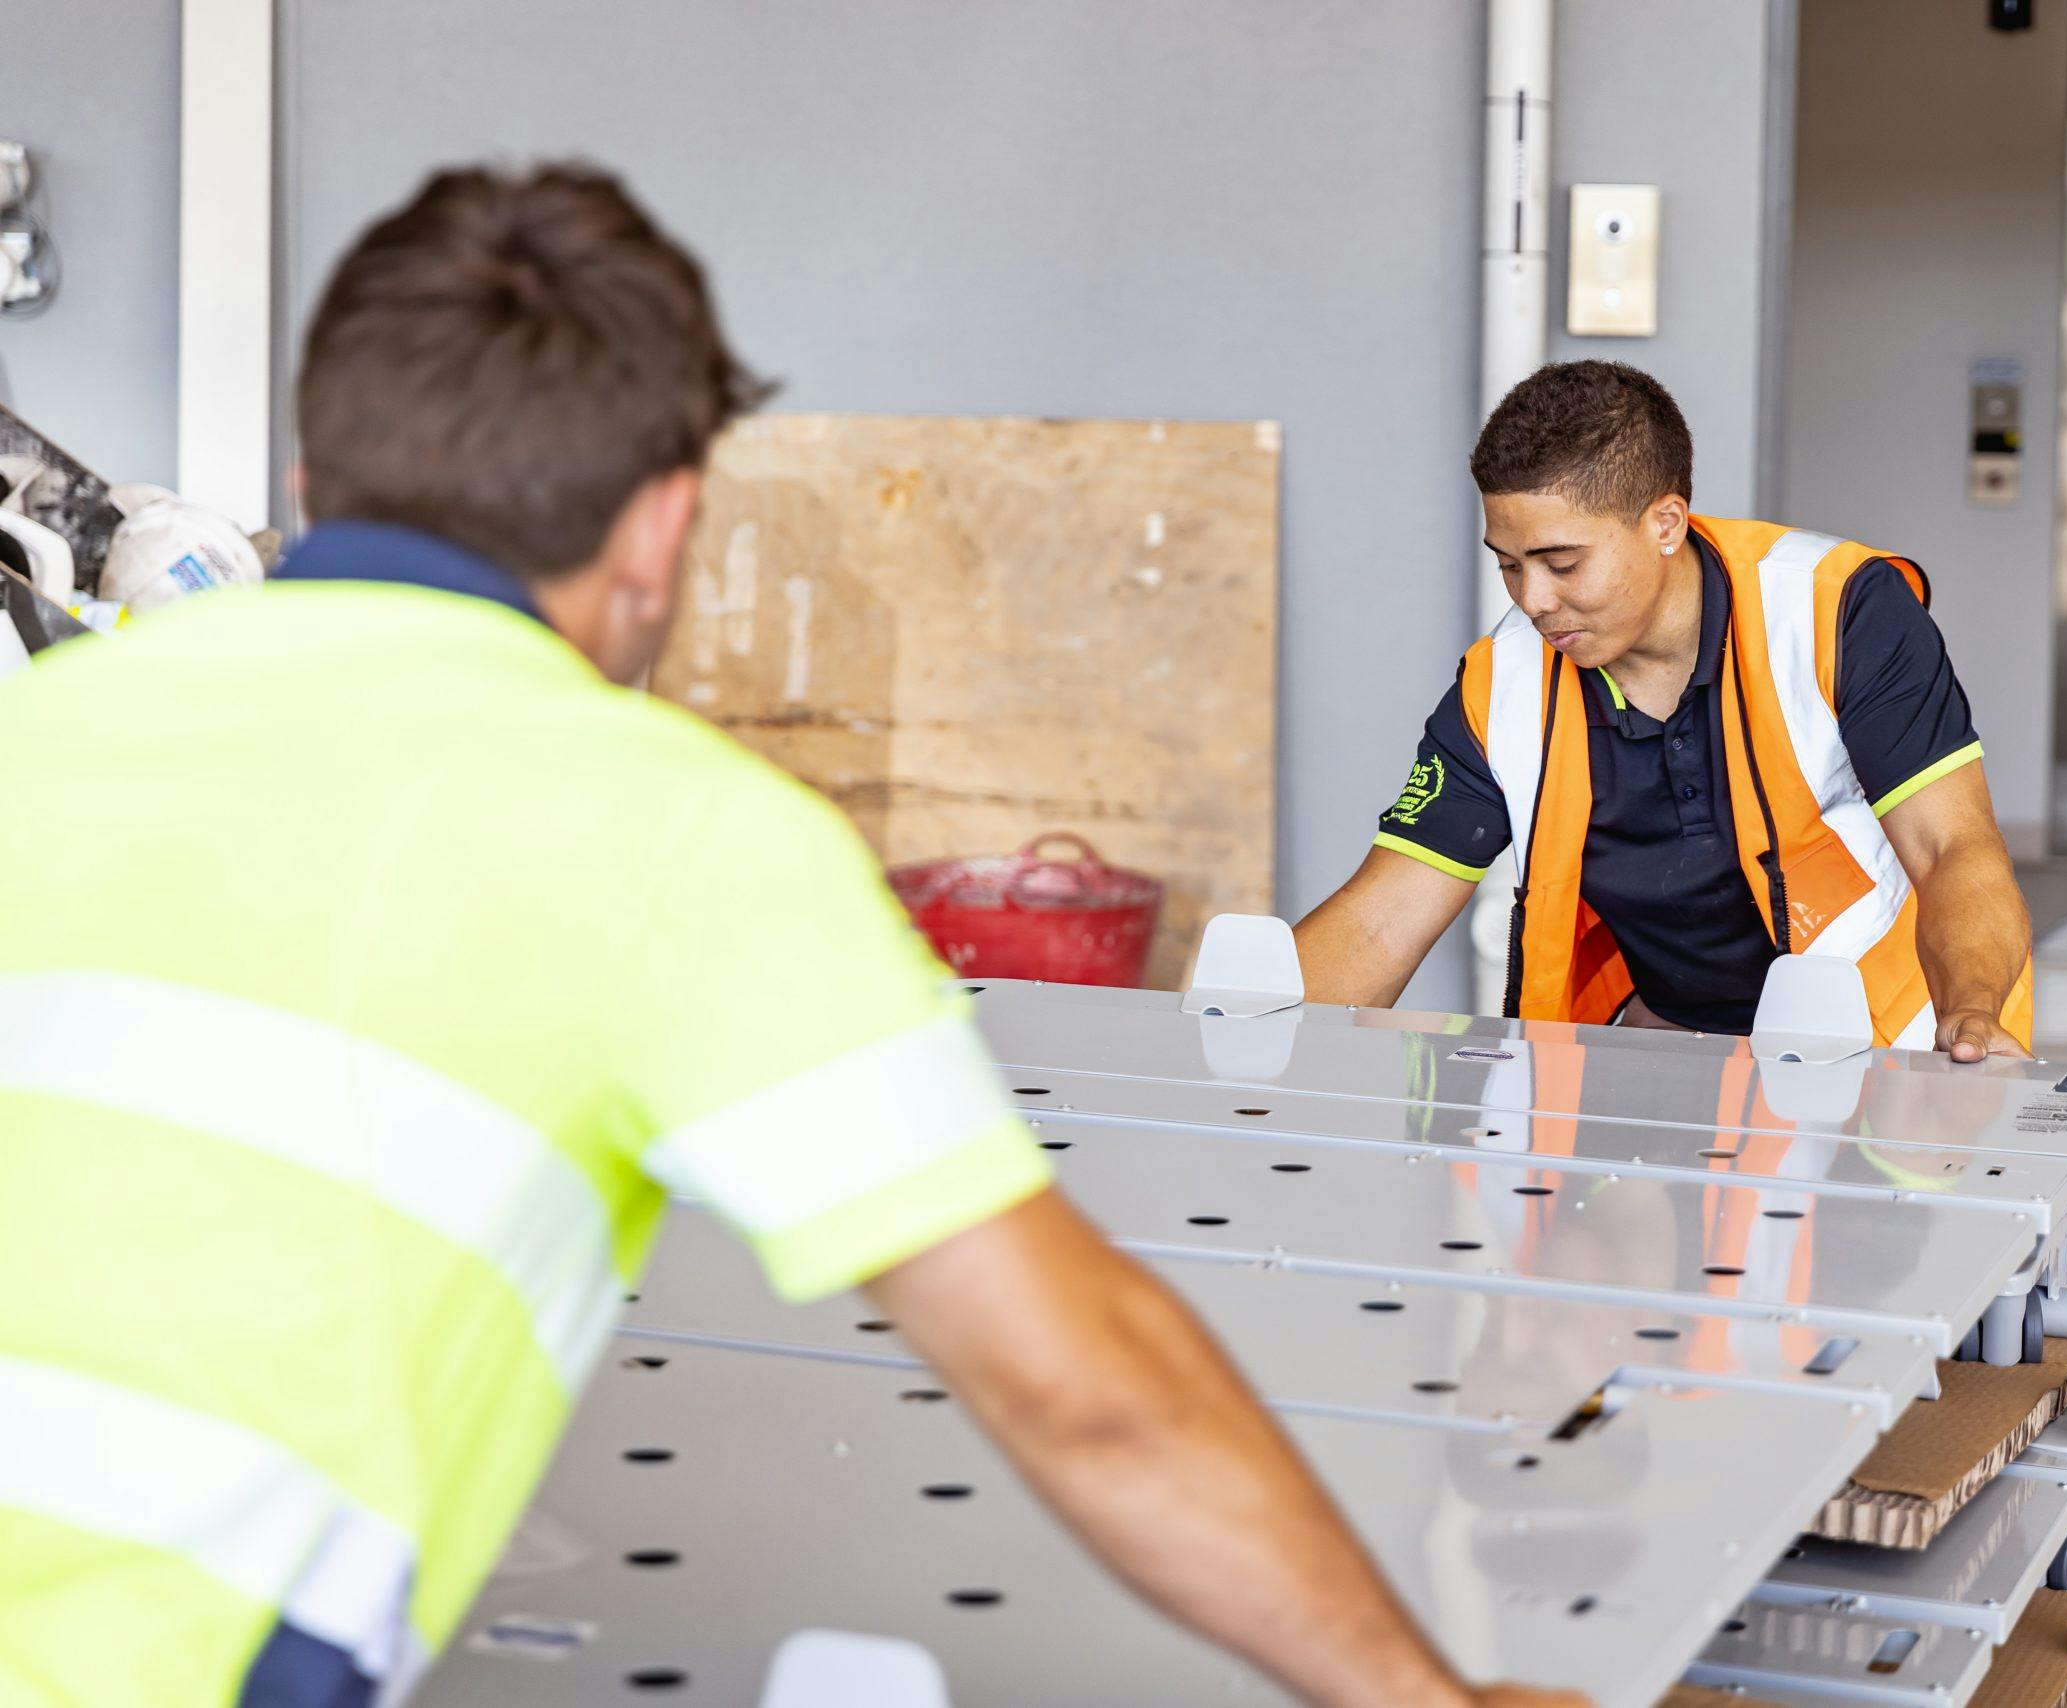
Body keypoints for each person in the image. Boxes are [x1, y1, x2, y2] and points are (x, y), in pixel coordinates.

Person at [0, 164, 1582, 1708]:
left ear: (306, 482)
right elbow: (1077, 1386)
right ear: (660, 528)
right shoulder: (670, 829)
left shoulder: (46, 721)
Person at [1297, 361, 2034, 1058]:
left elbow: (1953, 852)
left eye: (1562, 564)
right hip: (1669, 1041)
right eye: (1508, 563)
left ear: (1666, 523)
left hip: (1884, 1046)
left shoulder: (1838, 612)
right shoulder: (1505, 683)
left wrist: (1970, 1012)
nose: (1532, 601)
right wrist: (1227, 1042)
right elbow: (1382, 918)